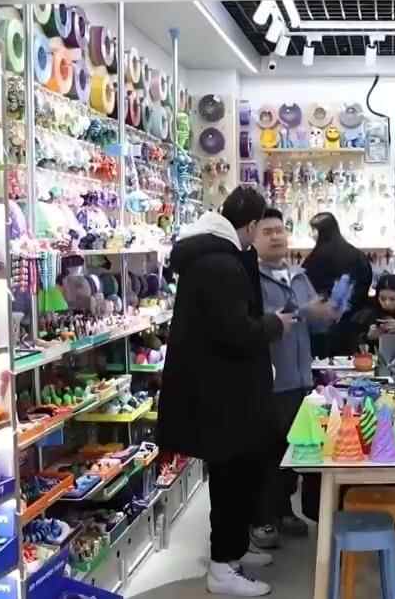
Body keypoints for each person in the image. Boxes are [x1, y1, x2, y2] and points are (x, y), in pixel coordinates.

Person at [156, 187, 295, 596]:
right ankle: (222, 567)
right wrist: (275, 324)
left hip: (221, 392)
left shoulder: (212, 256)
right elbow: (235, 331)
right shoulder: (220, 264)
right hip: (224, 397)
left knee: (237, 474)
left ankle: (233, 552)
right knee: (231, 478)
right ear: (250, 225)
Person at [251, 208, 338, 549]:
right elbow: (257, 323)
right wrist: (304, 311)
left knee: (297, 448)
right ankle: (262, 518)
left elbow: (314, 323)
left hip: (302, 378)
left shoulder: (299, 276)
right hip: (272, 379)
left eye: (280, 230)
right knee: (269, 452)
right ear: (253, 238)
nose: (276, 236)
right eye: (267, 231)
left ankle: (285, 510)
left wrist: (327, 314)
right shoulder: (250, 280)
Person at [301, 212, 373, 357]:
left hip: (321, 329)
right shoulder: (358, 256)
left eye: (313, 231)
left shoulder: (314, 259)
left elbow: (306, 290)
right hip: (353, 327)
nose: (312, 235)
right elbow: (364, 284)